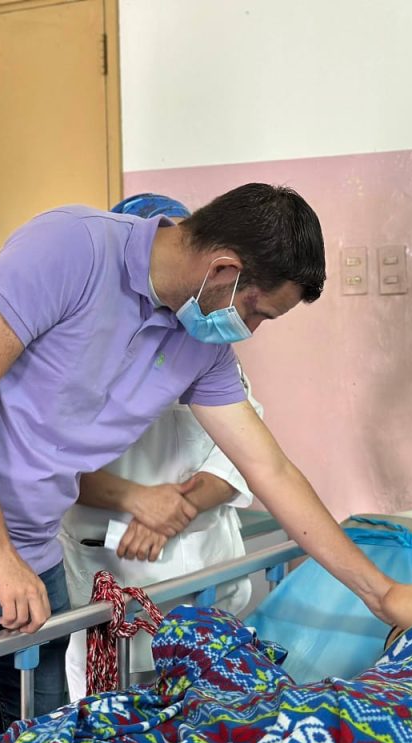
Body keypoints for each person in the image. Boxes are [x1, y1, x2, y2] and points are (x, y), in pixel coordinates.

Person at [0, 182, 402, 737]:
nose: (251, 329)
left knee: (39, 737)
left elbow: (270, 470)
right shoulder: (71, 248)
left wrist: (382, 594)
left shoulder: (202, 344)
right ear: (223, 270)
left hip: (34, 547)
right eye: (255, 311)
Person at [59, 193, 261, 700]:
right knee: (111, 720)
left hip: (206, 575)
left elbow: (242, 453)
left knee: (211, 713)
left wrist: (172, 511)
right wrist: (139, 502)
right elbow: (47, 463)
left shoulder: (209, 348)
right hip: (112, 573)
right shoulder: (78, 350)